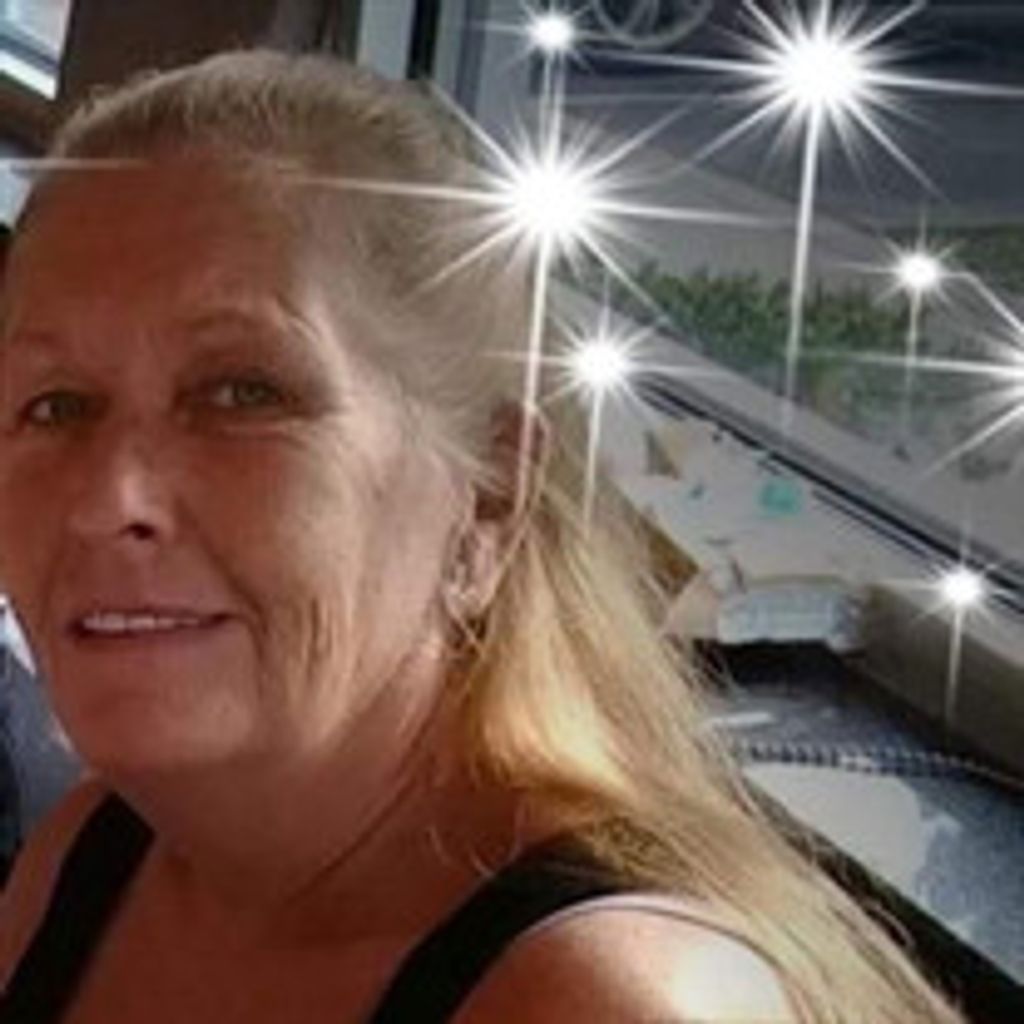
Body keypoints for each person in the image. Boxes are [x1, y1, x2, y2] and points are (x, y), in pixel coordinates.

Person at [0, 50, 964, 1023]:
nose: (107, 497)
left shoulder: (602, 1001)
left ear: (490, 495)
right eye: (56, 404)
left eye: (243, 393)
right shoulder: (94, 858)